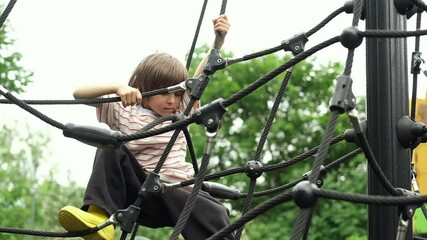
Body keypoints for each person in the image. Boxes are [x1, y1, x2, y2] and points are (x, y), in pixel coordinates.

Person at [58, 15, 233, 240]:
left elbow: (202, 74)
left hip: (175, 191)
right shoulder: (123, 108)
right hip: (138, 193)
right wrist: (118, 87)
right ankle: (98, 219)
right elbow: (78, 94)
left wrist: (219, 39)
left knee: (215, 211)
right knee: (110, 143)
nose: (172, 100)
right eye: (164, 92)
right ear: (143, 88)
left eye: (177, 93)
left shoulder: (181, 110)